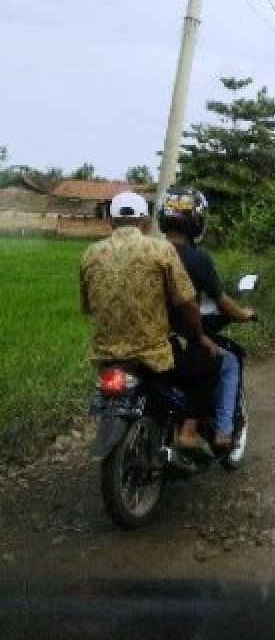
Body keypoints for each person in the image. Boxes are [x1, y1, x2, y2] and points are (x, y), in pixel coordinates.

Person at [79, 191, 217, 458]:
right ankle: (187, 433)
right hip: (152, 353)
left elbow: (88, 307)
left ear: (110, 221)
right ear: (144, 221)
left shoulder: (90, 254)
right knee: (209, 362)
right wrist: (199, 338)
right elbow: (187, 302)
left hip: (105, 355)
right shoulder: (160, 250)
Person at [157, 186, 256, 451]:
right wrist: (243, 314)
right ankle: (219, 432)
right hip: (178, 338)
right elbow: (219, 301)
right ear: (197, 220)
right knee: (223, 361)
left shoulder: (150, 252)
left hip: (144, 337)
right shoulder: (196, 257)